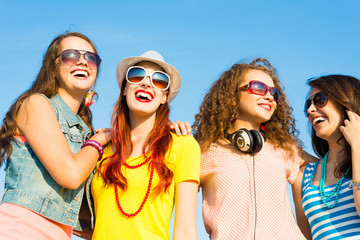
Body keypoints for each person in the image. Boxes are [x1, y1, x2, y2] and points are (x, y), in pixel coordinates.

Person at [0, 32, 110, 239]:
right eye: (71, 55)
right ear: (53, 67)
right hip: (21, 230)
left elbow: (82, 221)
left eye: (90, 58)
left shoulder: (84, 134)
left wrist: (168, 131)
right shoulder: (35, 104)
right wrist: (101, 140)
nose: (82, 62)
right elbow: (70, 175)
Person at [193, 58, 316, 239]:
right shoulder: (203, 152)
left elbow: (332, 166)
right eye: (258, 87)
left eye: (274, 93)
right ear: (233, 95)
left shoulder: (284, 149)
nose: (269, 97)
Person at [87, 50, 200, 240]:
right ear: (124, 89)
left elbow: (186, 230)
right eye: (137, 75)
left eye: (159, 80)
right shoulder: (101, 148)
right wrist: (95, 143)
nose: (146, 83)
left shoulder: (183, 145)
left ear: (165, 97)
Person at [293, 75, 360, 240]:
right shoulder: (303, 177)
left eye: (320, 99)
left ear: (346, 102)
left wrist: (357, 146)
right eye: (308, 104)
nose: (310, 110)